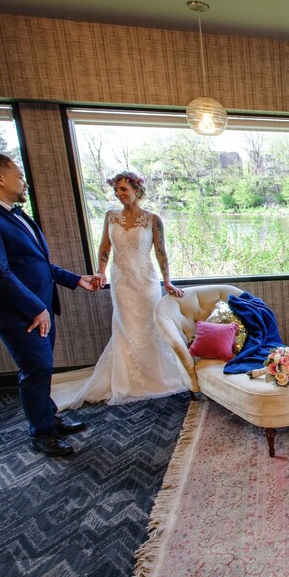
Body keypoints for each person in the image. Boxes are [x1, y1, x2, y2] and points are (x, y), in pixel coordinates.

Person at [0, 147, 101, 458]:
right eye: (19, 177)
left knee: (43, 369)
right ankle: (42, 434)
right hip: (18, 313)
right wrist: (35, 307)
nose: (24, 183)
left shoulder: (17, 214)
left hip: (41, 308)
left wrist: (75, 279)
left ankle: (48, 418)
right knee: (36, 370)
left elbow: (34, 263)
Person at [50, 171, 188, 409]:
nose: (119, 194)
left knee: (150, 324)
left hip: (145, 280)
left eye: (123, 189)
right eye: (116, 190)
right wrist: (100, 272)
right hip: (121, 280)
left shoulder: (153, 219)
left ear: (137, 190)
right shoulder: (111, 217)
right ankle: (127, 378)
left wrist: (167, 281)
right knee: (126, 325)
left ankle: (155, 373)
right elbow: (105, 247)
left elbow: (161, 252)